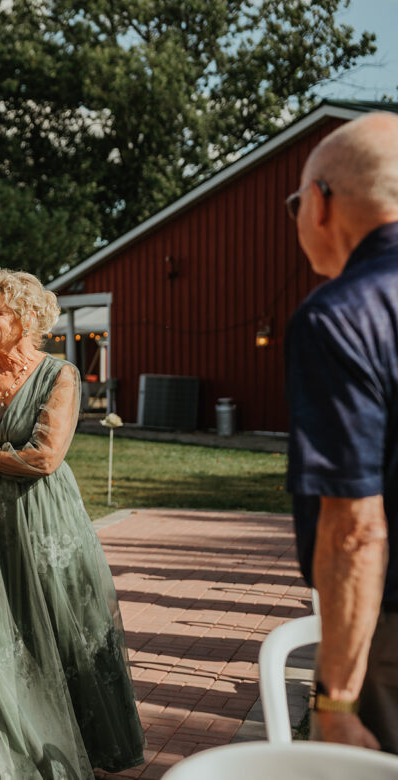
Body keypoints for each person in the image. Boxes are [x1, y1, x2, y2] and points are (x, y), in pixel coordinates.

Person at [0, 270, 144, 778]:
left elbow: (46, 456)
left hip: (43, 519)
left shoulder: (60, 374)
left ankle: (73, 742)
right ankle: (1, 757)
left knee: (58, 629)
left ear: (27, 319)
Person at [286, 111, 398, 753]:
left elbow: (356, 527)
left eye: (297, 202)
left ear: (322, 203)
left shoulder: (343, 317)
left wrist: (336, 698)